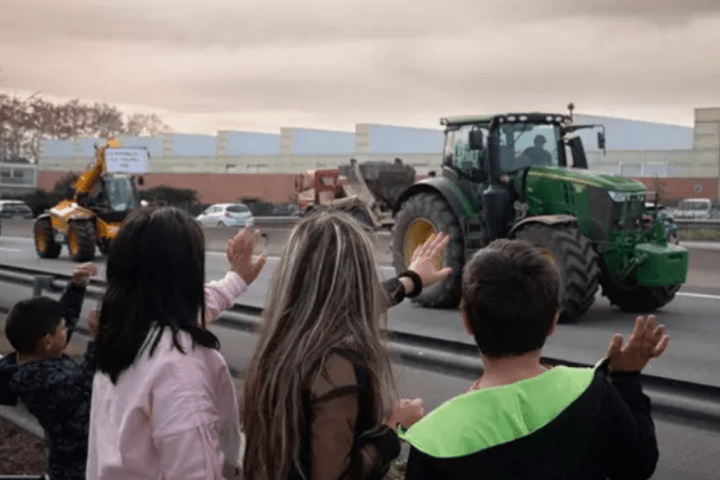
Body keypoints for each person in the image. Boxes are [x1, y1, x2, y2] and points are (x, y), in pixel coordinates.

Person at [401, 239, 668, 480]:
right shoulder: (592, 390)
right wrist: (626, 378)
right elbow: (638, 466)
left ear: (467, 321)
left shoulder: (434, 439)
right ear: (553, 320)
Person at [241, 209, 453, 480]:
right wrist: (392, 429)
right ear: (358, 279)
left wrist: (411, 280)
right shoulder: (335, 367)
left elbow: (353, 303)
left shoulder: (282, 342)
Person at [85, 205, 267, 479]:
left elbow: (193, 307)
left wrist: (235, 280)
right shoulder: (179, 370)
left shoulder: (123, 335)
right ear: (189, 273)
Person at [0, 262, 99, 480]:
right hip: (76, 472)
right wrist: (97, 340)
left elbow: (56, 326)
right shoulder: (46, 381)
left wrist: (76, 288)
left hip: (61, 467)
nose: (67, 331)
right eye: (62, 329)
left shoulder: (27, 363)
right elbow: (87, 381)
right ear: (47, 341)